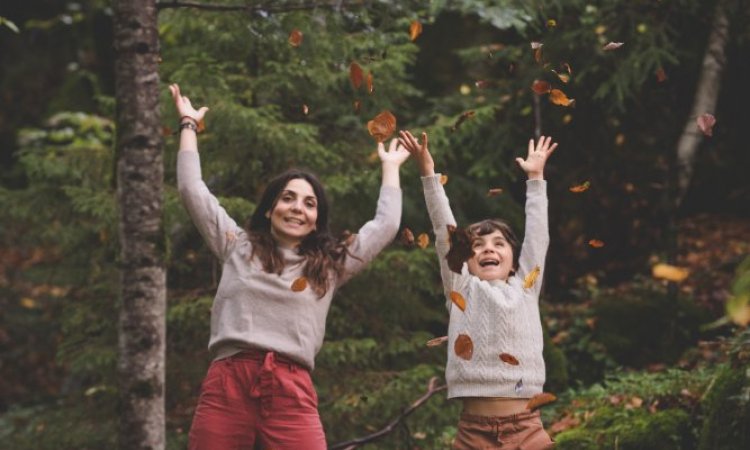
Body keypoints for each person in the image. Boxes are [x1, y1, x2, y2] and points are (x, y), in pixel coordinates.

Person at [169, 83, 409, 450]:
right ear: (270, 209)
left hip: (292, 390)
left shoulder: (328, 266)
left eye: (309, 203)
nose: (298, 207)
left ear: (316, 219)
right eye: (288, 198)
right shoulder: (237, 245)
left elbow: (385, 226)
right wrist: (188, 124)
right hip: (228, 384)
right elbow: (192, 190)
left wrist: (390, 168)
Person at [399, 130, 557, 450]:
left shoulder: (526, 286)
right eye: (478, 245)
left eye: (499, 244)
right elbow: (445, 230)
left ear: (515, 261)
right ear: (465, 258)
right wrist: (428, 173)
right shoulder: (461, 287)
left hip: (526, 429)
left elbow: (538, 236)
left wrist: (536, 178)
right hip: (473, 432)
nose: (488, 249)